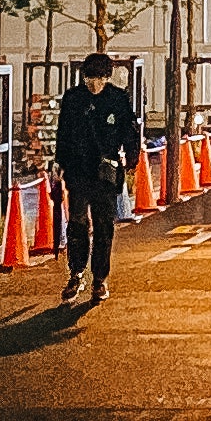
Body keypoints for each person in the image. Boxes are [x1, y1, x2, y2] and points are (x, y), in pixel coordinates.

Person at [52, 49, 142, 311]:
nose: (94, 84)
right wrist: (58, 163)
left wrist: (133, 159)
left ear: (107, 77)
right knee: (77, 224)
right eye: (89, 78)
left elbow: (130, 132)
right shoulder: (73, 99)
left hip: (105, 173)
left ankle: (99, 279)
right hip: (78, 171)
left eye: (99, 79)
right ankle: (76, 273)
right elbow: (63, 133)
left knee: (104, 227)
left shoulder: (118, 99)